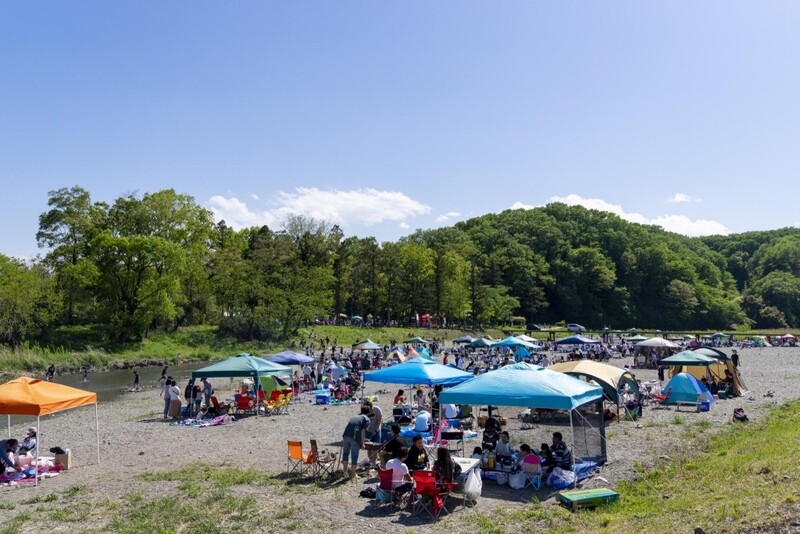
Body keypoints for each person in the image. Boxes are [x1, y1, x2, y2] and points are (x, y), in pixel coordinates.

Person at [341, 405, 371, 478]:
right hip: (354, 438)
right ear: (369, 412)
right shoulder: (367, 419)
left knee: (345, 454)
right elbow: (363, 432)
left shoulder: (355, 416)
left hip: (346, 435)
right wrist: (363, 443)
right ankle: (353, 474)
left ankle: (345, 472)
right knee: (354, 456)